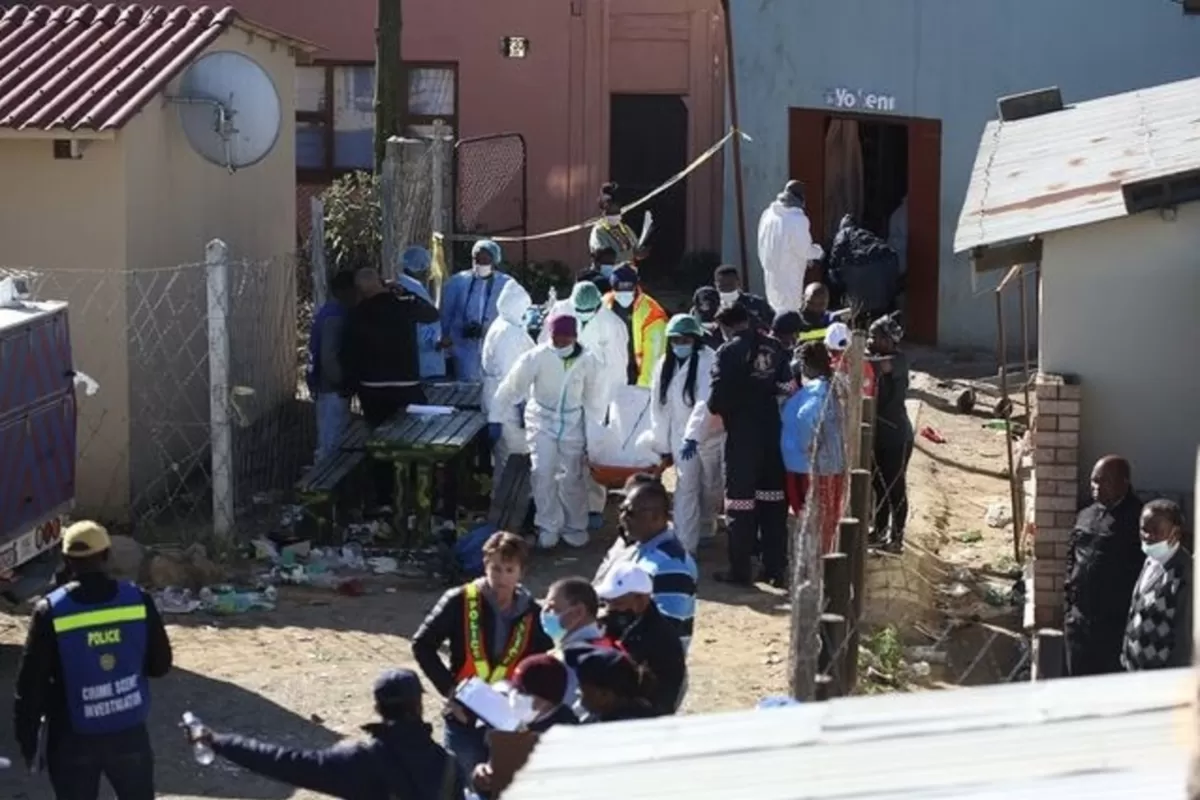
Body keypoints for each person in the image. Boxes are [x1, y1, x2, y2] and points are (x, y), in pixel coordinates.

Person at [13, 521, 173, 800]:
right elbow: (160, 666)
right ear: (107, 556)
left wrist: (28, 743)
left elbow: (30, 688)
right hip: (128, 733)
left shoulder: (50, 610)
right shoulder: (137, 600)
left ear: (65, 561)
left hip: (71, 740)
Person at [187, 669, 461, 800]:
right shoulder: (448, 764)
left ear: (377, 707)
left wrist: (218, 741)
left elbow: (282, 762)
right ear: (419, 705)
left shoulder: (359, 760)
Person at [411, 532, 552, 780]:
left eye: (509, 570)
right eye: (495, 568)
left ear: (521, 572)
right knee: (459, 786)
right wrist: (449, 691)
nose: (501, 578)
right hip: (464, 715)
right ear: (485, 565)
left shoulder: (532, 612)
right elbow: (422, 644)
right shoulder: (459, 600)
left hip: (509, 719)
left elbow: (545, 660)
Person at [493, 314, 609, 548]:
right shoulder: (536, 357)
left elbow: (595, 398)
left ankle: (575, 525)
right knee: (543, 473)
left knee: (573, 477)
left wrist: (597, 432)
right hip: (542, 421)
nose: (561, 343)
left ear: (575, 337)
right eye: (556, 339)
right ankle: (547, 526)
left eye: (566, 339)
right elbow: (510, 387)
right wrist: (495, 416)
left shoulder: (588, 361)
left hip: (573, 421)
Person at [707, 303, 793, 588]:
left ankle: (740, 569)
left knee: (740, 504)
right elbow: (786, 388)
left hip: (742, 436)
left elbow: (715, 401)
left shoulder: (727, 351)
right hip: (771, 431)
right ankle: (775, 568)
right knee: (773, 502)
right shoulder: (775, 347)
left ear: (727, 326)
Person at [341, 266, 440, 509]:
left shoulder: (356, 314)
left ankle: (385, 497)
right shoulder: (402, 304)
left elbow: (349, 355)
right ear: (381, 282)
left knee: (380, 442)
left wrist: (352, 386)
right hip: (406, 385)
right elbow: (431, 314)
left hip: (372, 389)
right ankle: (418, 493)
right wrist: (405, 292)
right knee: (416, 440)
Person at [541, 281, 632, 530]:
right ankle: (561, 507)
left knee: (592, 452)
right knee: (561, 453)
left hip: (597, 398)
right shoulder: (559, 312)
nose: (582, 316)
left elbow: (618, 369)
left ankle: (593, 506)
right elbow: (543, 351)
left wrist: (613, 406)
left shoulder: (613, 325)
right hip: (562, 394)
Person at [641, 313, 723, 552]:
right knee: (686, 488)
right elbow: (659, 406)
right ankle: (684, 546)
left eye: (685, 340)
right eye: (675, 340)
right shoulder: (664, 364)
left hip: (708, 436)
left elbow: (704, 402)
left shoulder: (709, 361)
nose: (680, 345)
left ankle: (707, 524)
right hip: (679, 437)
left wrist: (694, 435)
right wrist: (662, 444)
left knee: (711, 486)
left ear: (696, 339)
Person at [1063, 456, 1145, 676]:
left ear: (1124, 483)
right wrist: (1070, 599)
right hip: (1079, 621)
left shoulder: (1138, 520)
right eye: (1093, 481)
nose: (1096, 487)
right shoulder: (1086, 513)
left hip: (1113, 627)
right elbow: (1072, 554)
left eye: (1103, 481)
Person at [594, 479, 698, 650]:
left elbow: (666, 629)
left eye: (630, 512)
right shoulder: (639, 548)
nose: (622, 517)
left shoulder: (670, 565)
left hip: (651, 667)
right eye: (621, 510)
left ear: (656, 516)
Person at [468, 656, 577, 798]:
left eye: (525, 693)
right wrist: (481, 775)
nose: (515, 696)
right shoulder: (506, 714)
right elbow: (490, 762)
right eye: (515, 688)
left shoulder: (567, 736)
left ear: (549, 700)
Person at [781, 342, 846, 555]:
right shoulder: (829, 386)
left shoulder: (815, 389)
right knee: (825, 517)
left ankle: (816, 559)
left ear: (805, 365)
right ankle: (821, 559)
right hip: (824, 465)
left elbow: (806, 417)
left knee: (811, 517)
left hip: (810, 467)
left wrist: (807, 444)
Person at [596, 562, 687, 715]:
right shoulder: (617, 622)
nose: (610, 609)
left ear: (641, 599)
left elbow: (661, 698)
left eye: (618, 603)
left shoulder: (661, 639)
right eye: (607, 602)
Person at [1121, 499, 1193, 671]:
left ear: (1175, 533)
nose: (1147, 536)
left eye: (1155, 531)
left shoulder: (1185, 574)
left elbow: (1185, 638)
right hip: (1135, 671)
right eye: (1144, 529)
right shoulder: (1150, 561)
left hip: (1160, 679)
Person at [481, 280, 536, 488]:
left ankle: (507, 507)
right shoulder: (508, 334)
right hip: (508, 406)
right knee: (515, 459)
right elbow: (511, 376)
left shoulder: (503, 325)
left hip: (500, 401)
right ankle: (509, 510)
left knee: (507, 460)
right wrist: (521, 404)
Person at [868, 315, 914, 553]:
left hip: (897, 436)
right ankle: (878, 530)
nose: (871, 339)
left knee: (895, 487)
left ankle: (896, 538)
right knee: (878, 485)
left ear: (888, 341)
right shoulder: (874, 355)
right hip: (878, 435)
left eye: (876, 336)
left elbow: (879, 367)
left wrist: (855, 357)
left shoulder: (899, 360)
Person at [541, 578, 621, 712]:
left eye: (552, 608)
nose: (544, 614)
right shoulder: (609, 647)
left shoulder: (571, 661)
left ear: (578, 612)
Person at [442, 239, 512, 382]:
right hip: (464, 348)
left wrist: (487, 329)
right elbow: (445, 313)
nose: (481, 264)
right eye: (477, 260)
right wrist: (445, 336)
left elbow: (514, 315)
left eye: (486, 261)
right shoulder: (458, 282)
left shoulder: (507, 284)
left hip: (495, 345)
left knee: (493, 386)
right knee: (467, 387)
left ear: (495, 260)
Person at [306, 269, 357, 463]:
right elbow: (329, 356)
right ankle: (321, 482)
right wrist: (341, 382)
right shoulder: (336, 316)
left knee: (331, 435)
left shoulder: (329, 311)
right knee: (331, 440)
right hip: (331, 387)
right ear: (346, 291)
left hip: (325, 385)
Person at [757, 179, 824, 313]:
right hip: (789, 274)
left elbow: (763, 242)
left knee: (776, 309)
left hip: (771, 272)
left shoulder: (768, 214)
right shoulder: (797, 219)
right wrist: (819, 252)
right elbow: (804, 250)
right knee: (789, 312)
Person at [826, 213, 902, 322]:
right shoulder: (866, 234)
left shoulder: (844, 232)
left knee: (858, 298)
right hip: (888, 262)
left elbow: (835, 255)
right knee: (882, 298)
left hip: (866, 265)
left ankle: (859, 317)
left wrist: (833, 275)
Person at [604, 263, 668, 387]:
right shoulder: (604, 304)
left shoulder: (651, 312)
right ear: (612, 287)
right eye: (620, 287)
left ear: (635, 285)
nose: (624, 291)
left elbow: (653, 357)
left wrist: (642, 390)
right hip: (611, 375)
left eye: (629, 287)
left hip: (638, 375)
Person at [397, 245, 448, 380]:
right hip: (425, 361)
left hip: (424, 360)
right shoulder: (411, 287)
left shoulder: (410, 285)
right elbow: (421, 324)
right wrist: (435, 342)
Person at [574, 648, 657, 722]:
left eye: (584, 691)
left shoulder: (617, 729)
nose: (582, 699)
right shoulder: (652, 716)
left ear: (604, 695)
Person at [588, 183, 643, 265]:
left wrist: (640, 253)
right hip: (608, 276)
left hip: (628, 275)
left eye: (617, 211)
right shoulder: (599, 231)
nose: (615, 214)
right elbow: (604, 257)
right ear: (603, 211)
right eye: (611, 211)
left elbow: (636, 248)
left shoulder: (625, 229)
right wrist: (632, 255)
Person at [714, 264, 775, 331]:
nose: (727, 289)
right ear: (716, 285)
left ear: (738, 282)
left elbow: (773, 326)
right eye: (722, 286)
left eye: (730, 284)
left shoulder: (756, 304)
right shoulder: (712, 306)